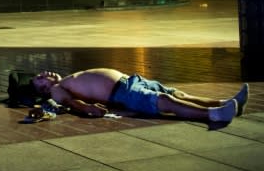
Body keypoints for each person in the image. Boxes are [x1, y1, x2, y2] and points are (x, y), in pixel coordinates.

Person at [31, 68, 248, 124]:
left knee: (176, 93)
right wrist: (87, 108)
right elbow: (71, 102)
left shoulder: (64, 79)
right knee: (165, 102)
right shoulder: (56, 89)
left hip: (131, 81)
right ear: (42, 89)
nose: (43, 74)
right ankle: (213, 115)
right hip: (123, 92)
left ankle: (226, 103)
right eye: (39, 78)